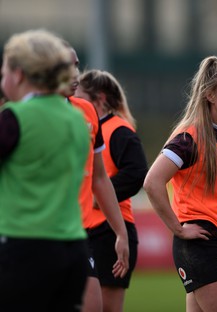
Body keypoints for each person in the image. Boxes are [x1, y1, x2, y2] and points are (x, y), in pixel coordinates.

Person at [144, 55, 217, 312]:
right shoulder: (188, 138)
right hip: (201, 245)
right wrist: (177, 229)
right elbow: (152, 182)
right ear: (210, 95)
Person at [0, 29, 90, 311]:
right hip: (72, 249)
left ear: (18, 74)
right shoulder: (77, 119)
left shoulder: (14, 117)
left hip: (24, 248)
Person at [60, 43, 130, 312]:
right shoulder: (21, 114)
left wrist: (120, 232)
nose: (75, 74)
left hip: (78, 237)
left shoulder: (87, 112)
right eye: (67, 67)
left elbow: (99, 178)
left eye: (76, 64)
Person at [75, 69, 148, 312]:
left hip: (110, 231)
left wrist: (99, 197)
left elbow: (137, 174)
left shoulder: (118, 129)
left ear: (100, 100)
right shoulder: (84, 127)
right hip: (86, 230)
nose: (74, 99)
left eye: (80, 95)